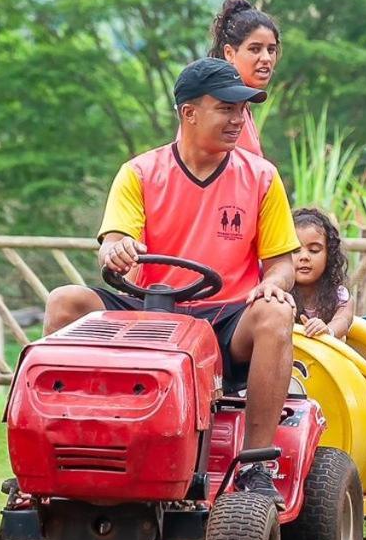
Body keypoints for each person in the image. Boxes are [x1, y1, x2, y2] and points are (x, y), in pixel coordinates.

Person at [44, 58, 300, 499]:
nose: (238, 119)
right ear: (189, 113)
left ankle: (257, 465)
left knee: (276, 313)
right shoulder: (139, 172)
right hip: (147, 315)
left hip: (224, 322)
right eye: (226, 108)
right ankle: (58, 450)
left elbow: (282, 263)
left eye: (242, 109)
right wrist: (116, 248)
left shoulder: (262, 177)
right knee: (64, 301)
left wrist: (275, 282)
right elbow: (115, 238)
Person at [201, 0, 282, 156]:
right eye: (255, 49)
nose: (266, 58)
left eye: (271, 50)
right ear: (229, 53)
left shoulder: (241, 105)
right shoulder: (217, 107)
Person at [291, 207, 354, 339]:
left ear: (329, 255)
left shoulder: (339, 296)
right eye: (295, 250)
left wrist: (328, 331)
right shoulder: (280, 293)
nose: (304, 257)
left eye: (313, 250)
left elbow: (343, 320)